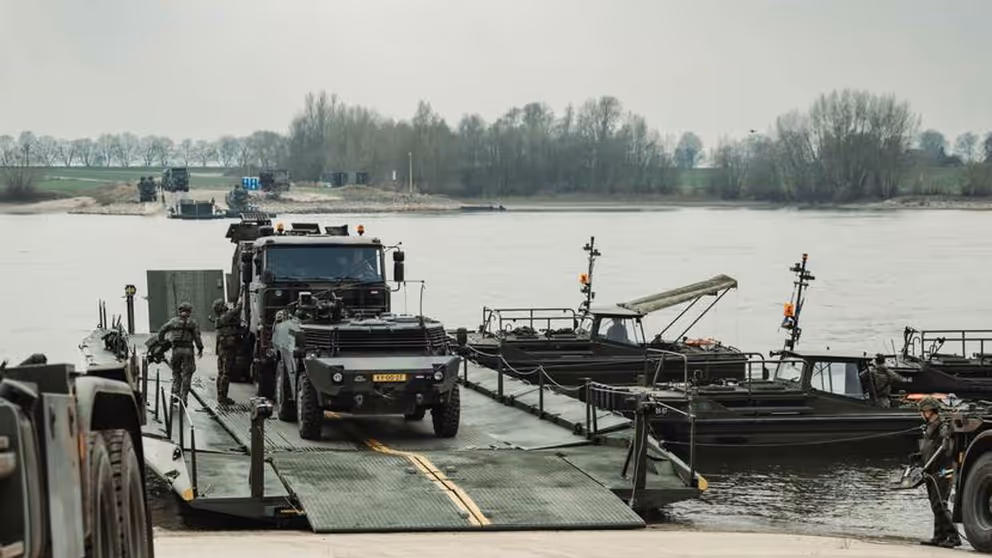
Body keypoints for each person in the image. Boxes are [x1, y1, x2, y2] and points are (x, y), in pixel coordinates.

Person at [912, 396, 962, 548]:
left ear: (928, 411)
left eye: (922, 411)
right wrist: (919, 457)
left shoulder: (942, 425)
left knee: (940, 503)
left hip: (943, 470)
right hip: (930, 469)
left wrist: (946, 434)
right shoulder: (929, 426)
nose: (921, 414)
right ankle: (939, 536)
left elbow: (944, 443)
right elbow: (929, 447)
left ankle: (954, 538)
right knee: (935, 504)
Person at [157, 302, 204, 407]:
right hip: (188, 350)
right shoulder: (193, 323)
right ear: (189, 312)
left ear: (180, 311)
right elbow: (197, 337)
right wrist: (200, 348)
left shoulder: (173, 321)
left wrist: (161, 342)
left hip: (176, 350)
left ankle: (175, 394)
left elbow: (162, 330)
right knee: (187, 374)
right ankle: (184, 398)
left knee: (176, 372)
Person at [212, 298, 242, 405]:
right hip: (227, 350)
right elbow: (237, 309)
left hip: (222, 349)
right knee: (226, 373)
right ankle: (223, 397)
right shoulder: (225, 317)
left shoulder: (220, 318)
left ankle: (220, 396)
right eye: (223, 305)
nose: (225, 305)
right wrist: (240, 301)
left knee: (221, 373)